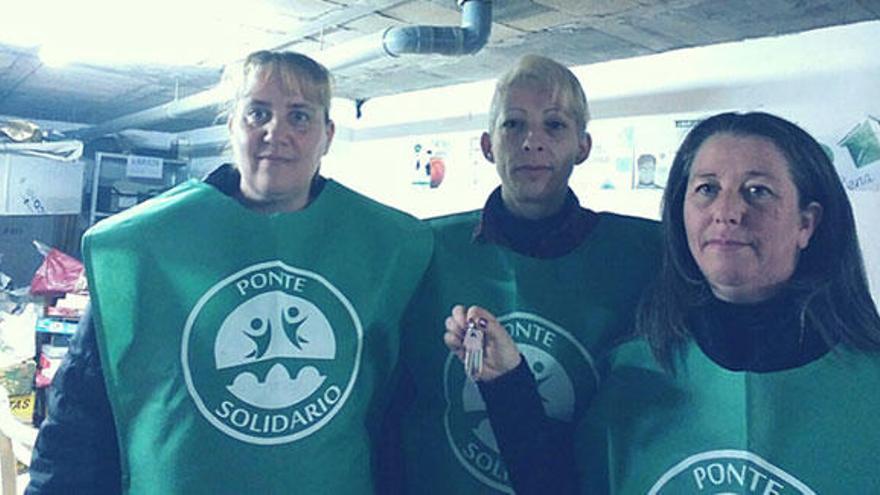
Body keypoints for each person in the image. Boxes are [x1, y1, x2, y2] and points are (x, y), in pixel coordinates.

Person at [26, 50, 432, 494]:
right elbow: (77, 423)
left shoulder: (383, 249)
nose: (275, 131)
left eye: (299, 117)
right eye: (258, 112)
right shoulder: (149, 247)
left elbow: (402, 417)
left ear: (327, 135)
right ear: (232, 125)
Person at [447, 111, 880, 493]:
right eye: (707, 188)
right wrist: (508, 381)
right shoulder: (637, 369)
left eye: (757, 191)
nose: (726, 211)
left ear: (807, 223)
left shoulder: (867, 382)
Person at [388, 55, 661, 494]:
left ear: (583, 146)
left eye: (554, 125)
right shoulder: (426, 247)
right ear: (487, 145)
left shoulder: (644, 253)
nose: (532, 141)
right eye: (513, 125)